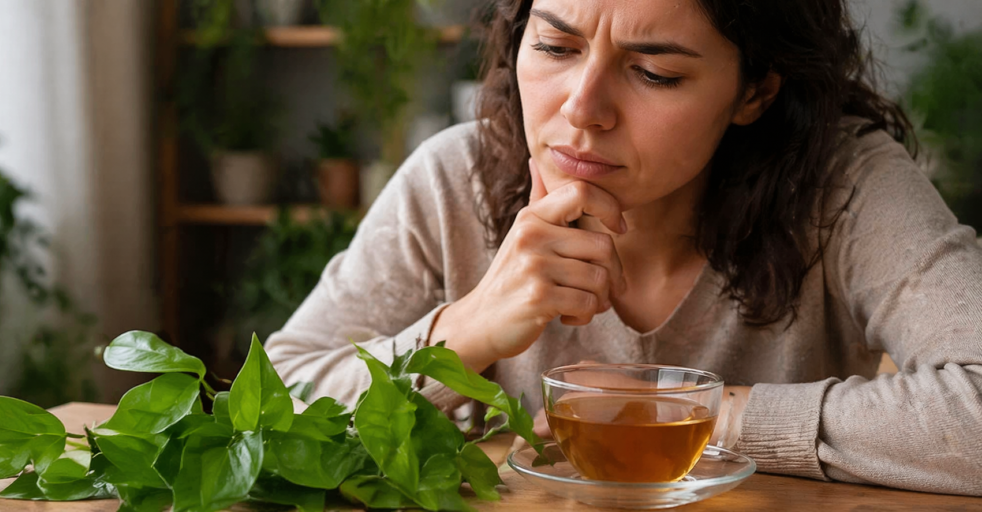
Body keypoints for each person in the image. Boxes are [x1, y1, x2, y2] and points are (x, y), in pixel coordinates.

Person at [266, 0, 982, 496]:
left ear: (755, 92)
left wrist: (696, 414)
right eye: (553, 46)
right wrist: (467, 330)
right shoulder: (454, 180)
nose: (581, 108)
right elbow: (272, 407)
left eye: (655, 73)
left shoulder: (845, 184)